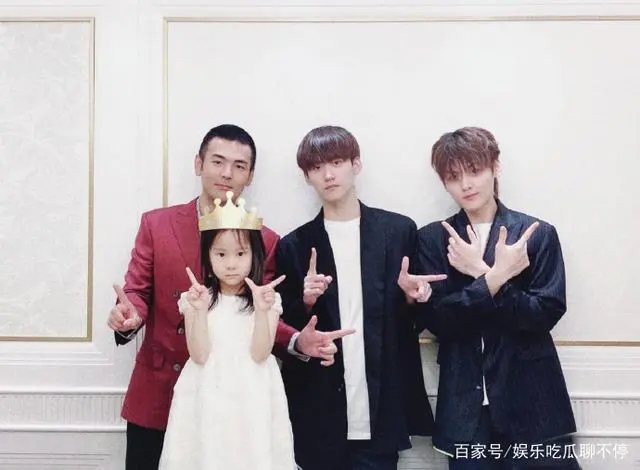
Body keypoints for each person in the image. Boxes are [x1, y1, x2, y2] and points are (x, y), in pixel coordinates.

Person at [107, 124, 353, 470]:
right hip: (160, 391)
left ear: (249, 176)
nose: (227, 173)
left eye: (239, 166)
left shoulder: (266, 240)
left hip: (232, 406)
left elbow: (259, 310)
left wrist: (297, 340)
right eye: (217, 161)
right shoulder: (156, 224)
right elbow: (137, 290)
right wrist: (129, 315)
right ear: (198, 164)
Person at [407, 126, 579, 469]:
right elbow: (440, 321)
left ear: (495, 167)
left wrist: (479, 272)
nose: (466, 184)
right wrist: (493, 278)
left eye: (474, 170)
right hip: (465, 410)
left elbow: (543, 314)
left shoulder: (535, 234)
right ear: (443, 182)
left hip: (533, 403)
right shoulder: (434, 239)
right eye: (454, 177)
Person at [275, 125, 446, 470]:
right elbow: (285, 333)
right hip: (317, 409)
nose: (328, 174)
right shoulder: (294, 245)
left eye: (337, 162)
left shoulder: (398, 231)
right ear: (307, 176)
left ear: (356, 164)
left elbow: (414, 320)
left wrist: (413, 296)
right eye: (316, 167)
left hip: (382, 408)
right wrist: (305, 302)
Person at [158, 192, 298, 470]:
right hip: (206, 393)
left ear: (254, 255)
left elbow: (260, 354)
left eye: (241, 253)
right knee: (206, 453)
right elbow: (199, 355)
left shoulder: (267, 300)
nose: (231, 263)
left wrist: (262, 310)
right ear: (208, 256)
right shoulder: (195, 299)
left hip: (253, 393)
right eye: (220, 254)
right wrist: (198, 311)